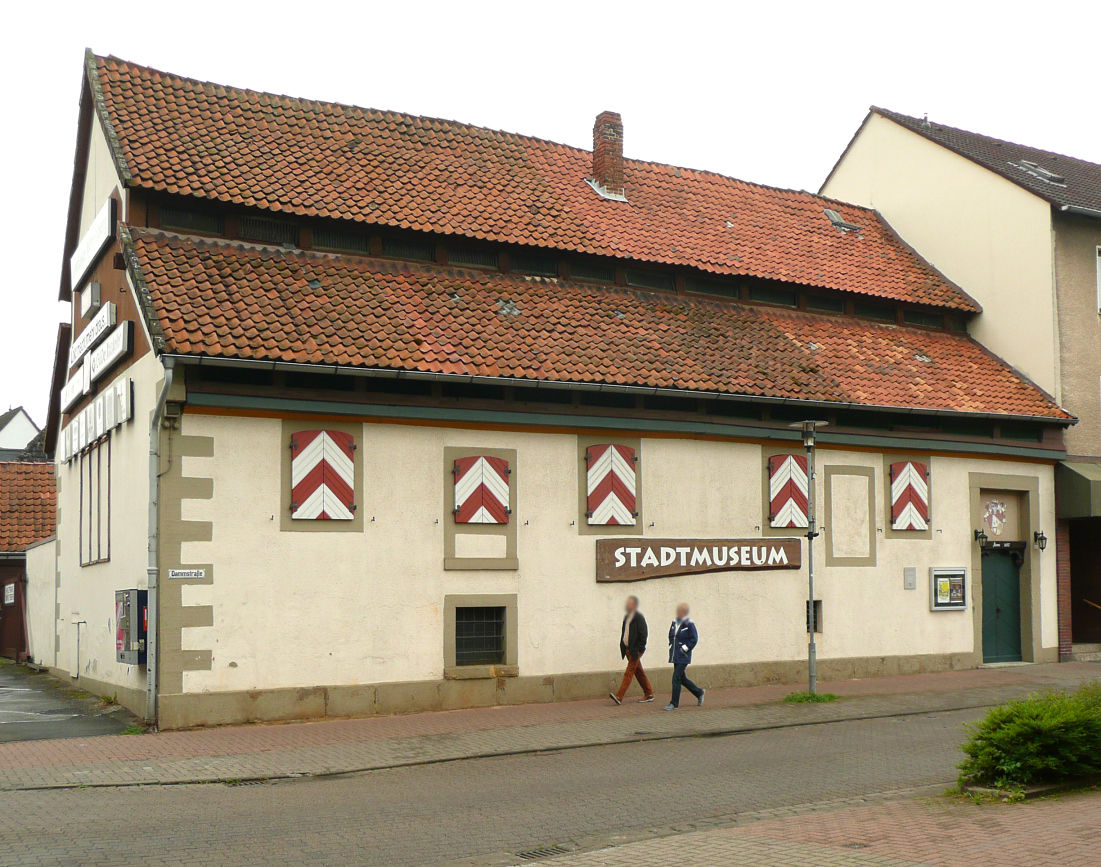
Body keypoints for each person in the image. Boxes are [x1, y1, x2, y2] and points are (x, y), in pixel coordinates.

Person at [610, 595, 654, 704]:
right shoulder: (627, 617)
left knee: (629, 672)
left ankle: (619, 697)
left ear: (634, 605)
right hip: (628, 650)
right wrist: (623, 646)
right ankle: (649, 694)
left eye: (629, 603)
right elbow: (625, 632)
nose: (627, 605)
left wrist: (639, 649)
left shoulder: (639, 617)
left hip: (636, 651)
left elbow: (644, 634)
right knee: (639, 672)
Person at [665, 603, 704, 710]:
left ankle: (674, 703)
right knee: (682, 678)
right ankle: (699, 692)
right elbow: (671, 635)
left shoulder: (689, 624)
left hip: (683, 656)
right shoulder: (674, 622)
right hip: (675, 654)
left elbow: (694, 639)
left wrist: (684, 648)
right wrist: (670, 646)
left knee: (676, 678)